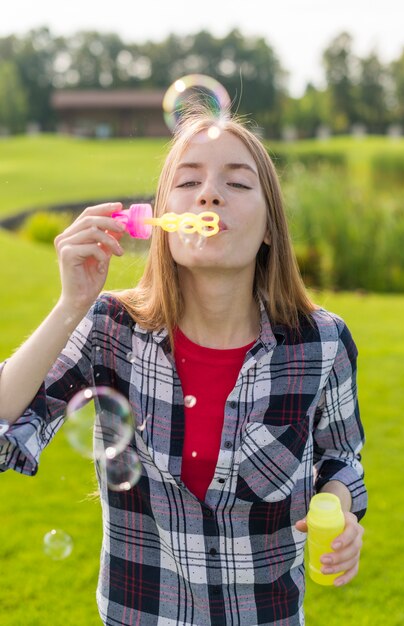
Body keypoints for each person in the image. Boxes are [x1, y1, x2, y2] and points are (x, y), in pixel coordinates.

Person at [0, 109, 367, 626]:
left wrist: (340, 509)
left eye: (237, 182)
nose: (209, 194)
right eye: (188, 180)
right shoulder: (109, 329)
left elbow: (341, 458)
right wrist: (70, 306)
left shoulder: (321, 343)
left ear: (268, 228)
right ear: (161, 223)